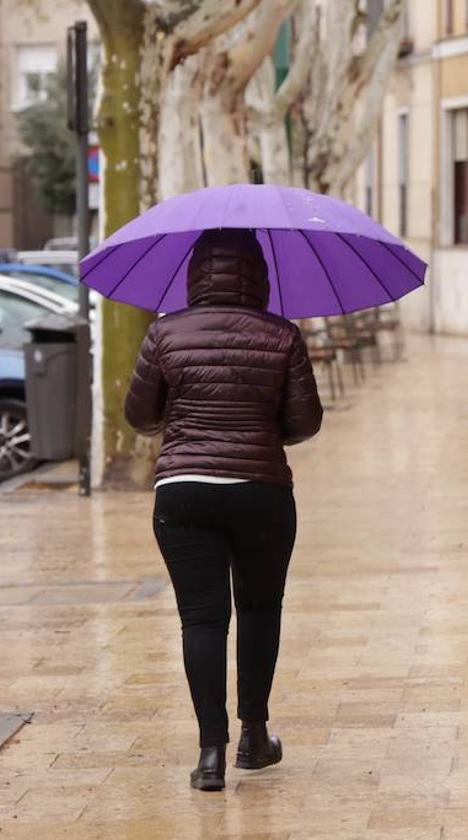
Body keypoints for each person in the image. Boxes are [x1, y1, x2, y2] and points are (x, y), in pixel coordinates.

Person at [125, 228, 323, 791]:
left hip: (183, 489)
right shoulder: (281, 335)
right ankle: (254, 738)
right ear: (258, 275)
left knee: (202, 619)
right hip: (261, 490)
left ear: (195, 274)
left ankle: (210, 753)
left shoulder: (164, 332)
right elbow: (304, 423)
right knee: (259, 611)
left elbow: (139, 414)